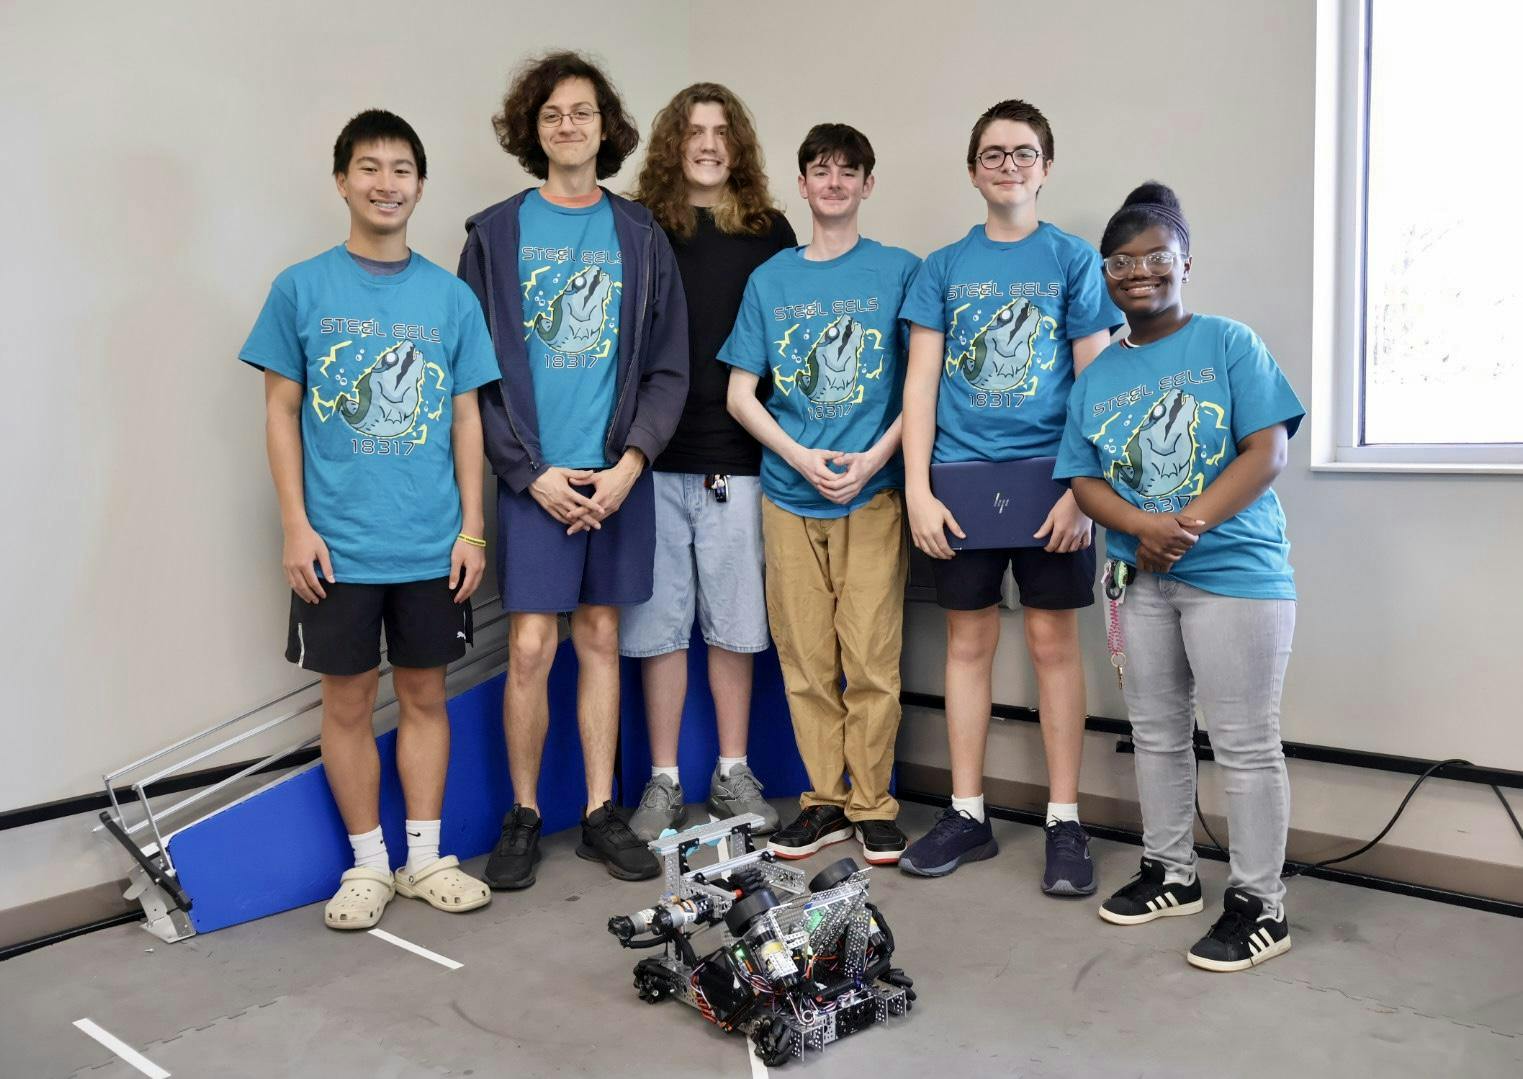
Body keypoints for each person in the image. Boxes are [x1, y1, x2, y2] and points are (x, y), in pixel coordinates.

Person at [240, 109, 499, 929]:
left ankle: (425, 858)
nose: (386, 183)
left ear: (420, 185)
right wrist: (295, 524)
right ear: (342, 181)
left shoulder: (450, 297)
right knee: (346, 705)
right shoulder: (300, 288)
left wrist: (472, 528)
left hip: (430, 544)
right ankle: (368, 865)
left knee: (425, 696)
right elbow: (280, 412)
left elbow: (467, 419)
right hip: (336, 549)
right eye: (369, 167)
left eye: (401, 169)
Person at [1057, 181, 1303, 971]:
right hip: (1139, 580)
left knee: (1243, 744)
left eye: (1155, 256)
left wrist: (1180, 525)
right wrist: (1140, 530)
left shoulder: (1228, 343)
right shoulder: (1097, 375)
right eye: (1121, 261)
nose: (1139, 272)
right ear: (1105, 274)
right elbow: (1083, 479)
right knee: (1156, 734)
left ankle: (1260, 904)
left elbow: (1266, 450)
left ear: (1184, 262)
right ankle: (1170, 871)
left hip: (1233, 575)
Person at [459, 52, 688, 889]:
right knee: (528, 645)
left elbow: (667, 366)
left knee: (598, 636)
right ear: (534, 129)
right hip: (536, 480)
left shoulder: (640, 234)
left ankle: (598, 812)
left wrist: (630, 463)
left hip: (616, 477)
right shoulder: (494, 235)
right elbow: (473, 376)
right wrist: (529, 474)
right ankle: (523, 815)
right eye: (552, 113)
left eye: (582, 112)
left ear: (605, 127)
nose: (567, 125)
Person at [898, 99, 1123, 893]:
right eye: (992, 154)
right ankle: (967, 813)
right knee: (965, 645)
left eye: (1023, 153)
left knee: (1054, 645)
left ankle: (1065, 820)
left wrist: (1081, 493)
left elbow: (1097, 382)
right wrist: (917, 490)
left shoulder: (1072, 260)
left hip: (1051, 483)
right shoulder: (941, 267)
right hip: (958, 482)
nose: (1008, 166)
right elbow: (919, 384)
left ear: (1045, 168)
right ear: (972, 171)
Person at [721, 124, 919, 866]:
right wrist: (800, 457)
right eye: (820, 170)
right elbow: (741, 394)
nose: (833, 183)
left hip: (872, 495)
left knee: (870, 658)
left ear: (867, 184)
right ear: (801, 185)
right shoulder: (769, 280)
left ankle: (872, 806)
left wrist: (873, 459)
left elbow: (922, 385)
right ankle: (824, 803)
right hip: (787, 494)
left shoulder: (900, 271)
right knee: (804, 660)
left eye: (847, 171)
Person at [620, 83, 797, 841]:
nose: (708, 144)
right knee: (658, 627)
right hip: (650, 458)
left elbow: (788, 342)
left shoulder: (769, 230)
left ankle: (732, 771)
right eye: (694, 131)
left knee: (734, 624)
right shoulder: (638, 227)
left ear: (739, 145)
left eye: (722, 132)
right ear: (673, 142)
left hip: (739, 459)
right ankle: (663, 779)